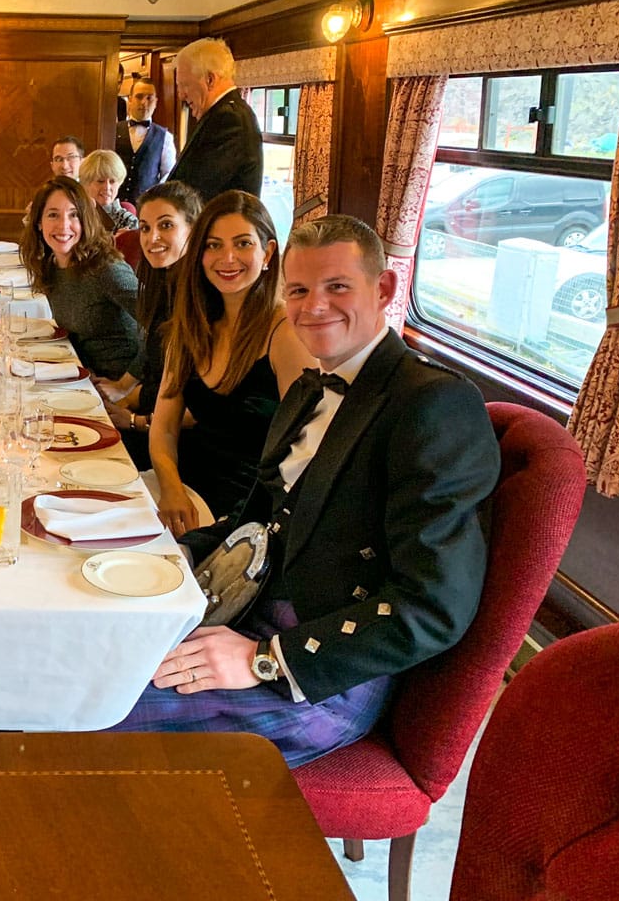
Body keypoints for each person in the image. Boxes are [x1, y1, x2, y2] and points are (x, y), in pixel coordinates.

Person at [109, 214, 501, 770]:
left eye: (337, 286)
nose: (314, 306)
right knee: (80, 662)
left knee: (92, 712)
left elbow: (434, 605)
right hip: (240, 615)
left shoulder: (432, 405)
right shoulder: (308, 392)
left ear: (384, 289)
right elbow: (252, 523)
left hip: (324, 679)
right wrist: (156, 557)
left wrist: (266, 660)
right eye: (298, 290)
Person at [149, 190, 313, 528]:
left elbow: (305, 452)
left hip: (247, 507)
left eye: (242, 244)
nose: (227, 258)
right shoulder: (191, 326)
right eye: (213, 245)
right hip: (185, 486)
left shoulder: (285, 335)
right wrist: (171, 488)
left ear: (268, 252)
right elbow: (164, 428)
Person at [96, 180, 204, 470]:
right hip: (151, 420)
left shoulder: (202, 299)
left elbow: (203, 407)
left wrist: (134, 421)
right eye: (145, 227)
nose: (152, 236)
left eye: (166, 225)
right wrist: (125, 400)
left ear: (193, 229)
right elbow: (158, 375)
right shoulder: (164, 286)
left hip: (183, 447)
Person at [19, 177, 141, 380]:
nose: (63, 225)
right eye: (53, 215)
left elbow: (161, 324)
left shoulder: (105, 269)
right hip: (83, 375)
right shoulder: (50, 264)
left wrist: (126, 385)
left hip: (115, 382)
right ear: (39, 223)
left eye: (74, 215)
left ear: (85, 221)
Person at [166, 38, 263, 202]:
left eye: (185, 85)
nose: (181, 95)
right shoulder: (222, 115)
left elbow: (195, 191)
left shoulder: (230, 119)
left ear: (210, 79)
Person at [115, 78, 176, 205]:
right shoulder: (112, 130)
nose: (144, 102)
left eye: (149, 98)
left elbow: (168, 176)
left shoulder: (165, 137)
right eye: (139, 97)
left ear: (156, 102)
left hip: (145, 208)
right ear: (130, 99)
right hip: (113, 206)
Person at [78, 150, 139, 233]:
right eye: (100, 181)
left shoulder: (129, 222)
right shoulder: (75, 216)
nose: (107, 187)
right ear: (86, 183)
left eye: (112, 181)